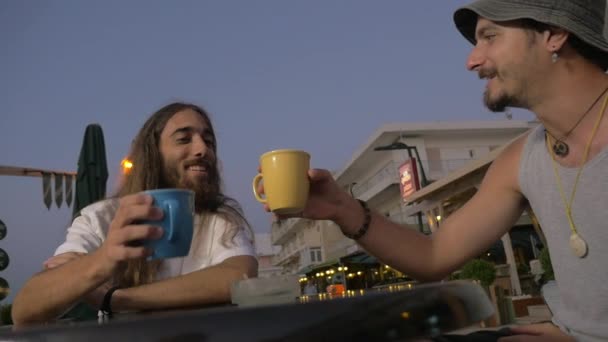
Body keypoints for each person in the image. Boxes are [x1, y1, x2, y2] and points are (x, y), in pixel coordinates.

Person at [260, 0, 608, 341]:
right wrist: (342, 209)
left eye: (490, 37)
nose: (473, 61)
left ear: (554, 33)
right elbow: (434, 255)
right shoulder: (521, 160)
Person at [13, 102, 258, 325]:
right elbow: (26, 309)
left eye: (209, 141)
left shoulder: (221, 219)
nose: (202, 149)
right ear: (153, 153)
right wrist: (104, 258)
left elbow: (239, 277)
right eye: (184, 139)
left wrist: (114, 299)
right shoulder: (100, 217)